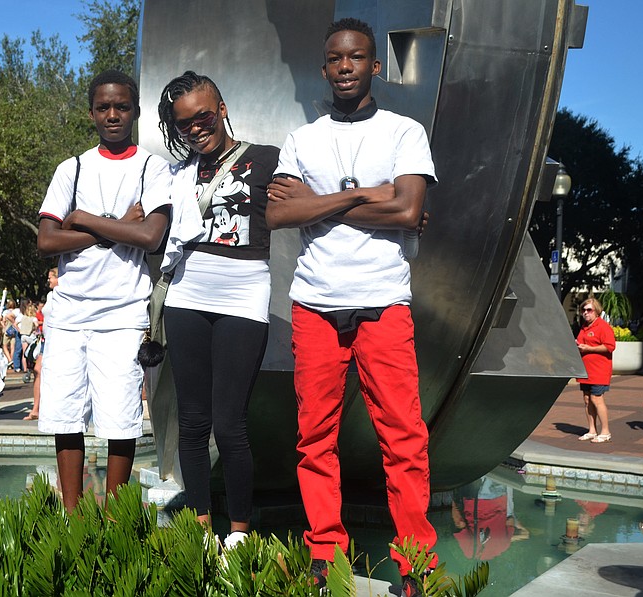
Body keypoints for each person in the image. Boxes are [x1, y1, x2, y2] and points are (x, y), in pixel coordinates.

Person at [266, 18, 438, 594]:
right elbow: (278, 214)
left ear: (375, 66)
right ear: (324, 68)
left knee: (404, 437)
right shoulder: (302, 139)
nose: (345, 67)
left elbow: (408, 210)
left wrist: (319, 203)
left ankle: (416, 563)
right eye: (336, 59)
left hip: (383, 301)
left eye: (357, 57)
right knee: (315, 438)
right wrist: (366, 194)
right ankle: (325, 552)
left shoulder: (404, 132)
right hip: (315, 303)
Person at [37, 70, 171, 511]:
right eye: (103, 107)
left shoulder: (151, 168)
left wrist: (82, 219)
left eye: (122, 107)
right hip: (69, 312)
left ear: (136, 111)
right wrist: (117, 227)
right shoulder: (71, 168)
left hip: (123, 310)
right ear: (91, 112)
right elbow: (47, 241)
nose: (112, 115)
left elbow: (150, 236)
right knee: (65, 416)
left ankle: (116, 519)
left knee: (120, 420)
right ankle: (72, 515)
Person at [157, 71, 278, 548]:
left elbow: (309, 202)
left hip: (244, 293)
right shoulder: (178, 174)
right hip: (187, 294)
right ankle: (202, 529)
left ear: (222, 110)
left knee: (230, 422)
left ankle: (239, 535)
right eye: (184, 123)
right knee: (192, 420)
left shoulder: (266, 159)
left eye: (204, 117)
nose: (195, 129)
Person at [576, 297, 616, 443]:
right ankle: (592, 430)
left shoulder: (603, 327)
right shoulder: (584, 327)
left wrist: (589, 348)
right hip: (586, 370)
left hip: (599, 370)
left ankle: (605, 431)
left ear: (597, 311)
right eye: (583, 310)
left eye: (589, 310)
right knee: (587, 399)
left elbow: (610, 346)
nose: (586, 313)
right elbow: (582, 343)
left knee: (596, 398)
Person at [24, 268, 58, 421]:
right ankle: (36, 409)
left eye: (51, 277)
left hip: (58, 340)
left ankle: (48, 408)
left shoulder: (66, 294)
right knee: (38, 370)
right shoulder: (51, 295)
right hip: (46, 339)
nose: (48, 280)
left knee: (51, 372)